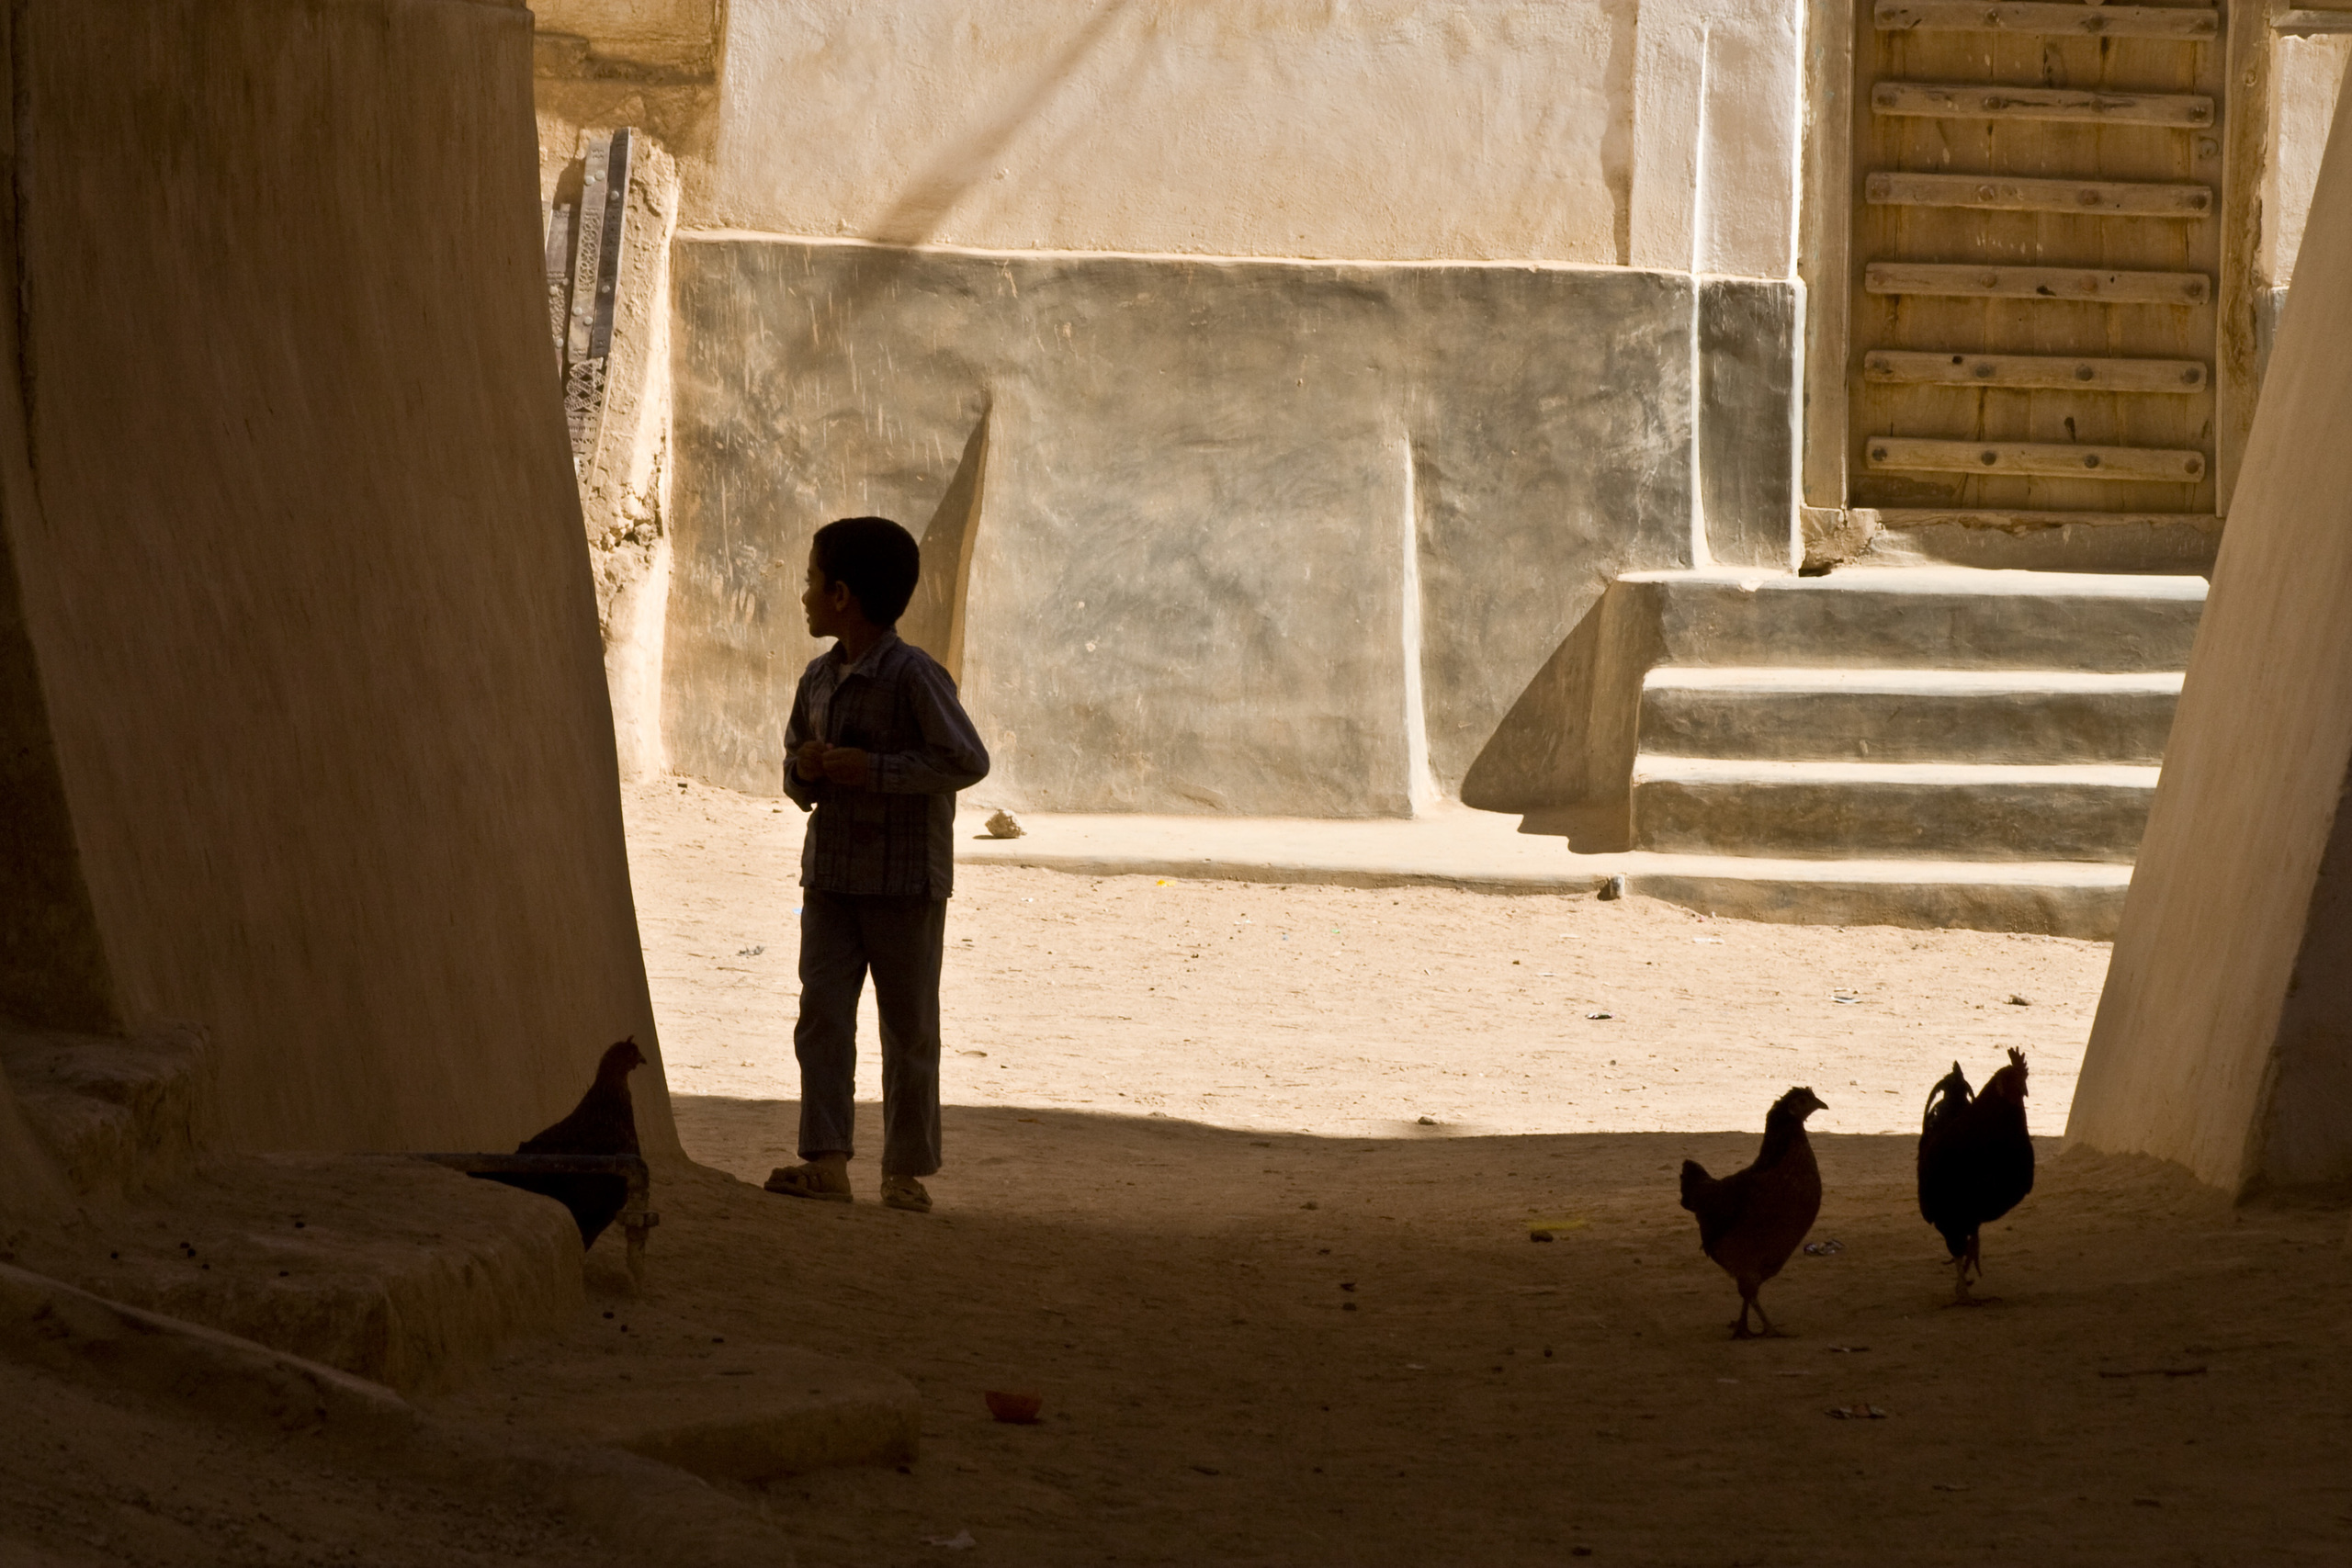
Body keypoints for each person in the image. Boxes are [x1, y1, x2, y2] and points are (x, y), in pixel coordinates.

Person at [763, 516, 989, 1213]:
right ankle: (828, 1161)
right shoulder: (817, 679)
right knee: (822, 1017)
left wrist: (876, 770)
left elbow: (966, 761)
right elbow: (795, 766)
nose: (802, 596)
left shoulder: (916, 676)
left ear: (841, 596)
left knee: (909, 1027)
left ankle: (905, 1171)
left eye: (810, 582)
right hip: (830, 879)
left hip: (904, 883)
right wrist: (804, 770)